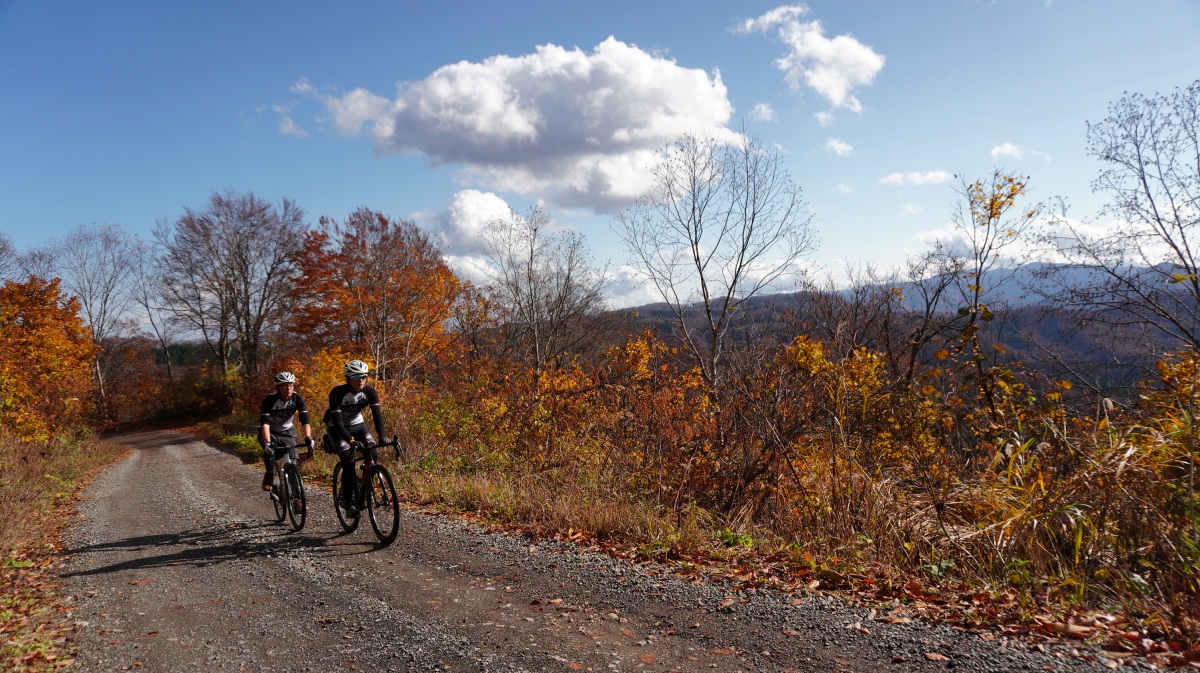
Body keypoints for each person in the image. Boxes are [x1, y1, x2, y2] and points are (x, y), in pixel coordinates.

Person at [326, 360, 386, 516]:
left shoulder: (370, 391)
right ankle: (347, 500)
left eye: (364, 376)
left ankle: (362, 484)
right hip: (337, 429)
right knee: (348, 459)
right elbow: (338, 422)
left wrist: (383, 436)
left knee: (372, 453)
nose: (361, 380)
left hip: (358, 425)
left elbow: (377, 415)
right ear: (348, 378)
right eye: (357, 376)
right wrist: (350, 440)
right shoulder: (337, 393)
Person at [259, 371, 314, 491]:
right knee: (270, 451)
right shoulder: (269, 400)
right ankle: (269, 473)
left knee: (293, 463)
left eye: (291, 385)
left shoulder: (297, 398)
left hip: (288, 431)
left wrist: (308, 437)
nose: (288, 388)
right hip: (270, 431)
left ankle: (296, 498)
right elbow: (265, 423)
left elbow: (305, 421)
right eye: (284, 385)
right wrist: (267, 443)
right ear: (278, 387)